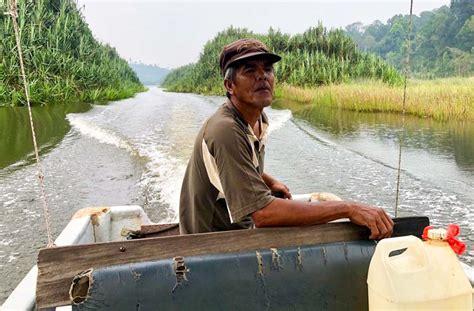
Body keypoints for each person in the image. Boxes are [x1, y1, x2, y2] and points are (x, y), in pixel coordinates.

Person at [179, 38, 394, 239]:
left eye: (268, 69)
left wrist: (268, 181)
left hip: (237, 229)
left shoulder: (257, 117)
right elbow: (263, 214)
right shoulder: (225, 129)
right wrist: (348, 208)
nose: (262, 76)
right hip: (211, 241)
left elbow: (237, 162)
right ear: (229, 86)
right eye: (250, 70)